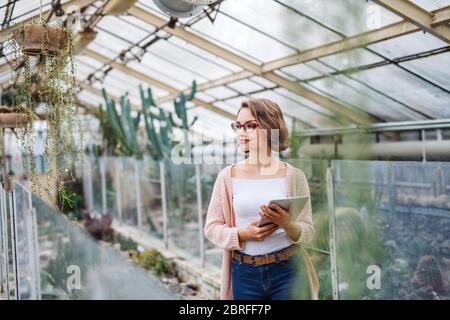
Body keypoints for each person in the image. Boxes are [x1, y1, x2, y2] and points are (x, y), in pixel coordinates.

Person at [204, 99, 319, 300]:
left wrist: (288, 224)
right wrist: (241, 234)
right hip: (244, 274)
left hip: (288, 271)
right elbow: (211, 228)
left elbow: (308, 231)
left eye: (250, 126)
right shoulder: (227, 177)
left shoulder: (293, 175)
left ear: (269, 128)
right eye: (238, 126)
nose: (242, 132)